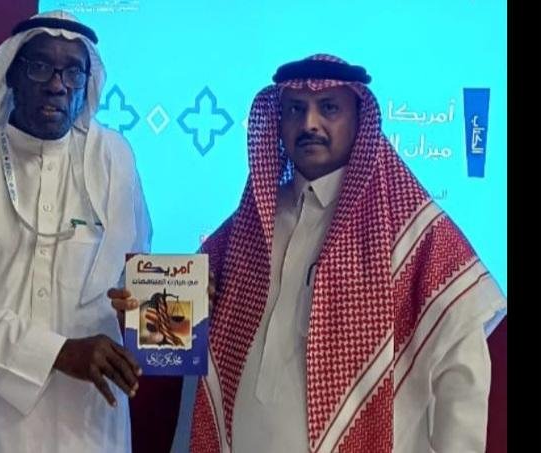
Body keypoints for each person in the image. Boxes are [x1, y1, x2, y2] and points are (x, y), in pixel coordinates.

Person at [113, 54, 505, 453]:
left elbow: (460, 365)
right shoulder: (250, 224)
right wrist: (139, 310)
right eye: (295, 109)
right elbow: (171, 335)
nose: (309, 124)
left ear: (359, 119)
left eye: (328, 108)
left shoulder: (409, 229)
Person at [0, 10, 151, 453]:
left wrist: (172, 300)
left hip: (88, 414)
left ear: (86, 83)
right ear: (11, 75)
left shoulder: (114, 160)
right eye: (41, 66)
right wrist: (58, 353)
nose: (58, 85)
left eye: (73, 71)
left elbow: (136, 272)